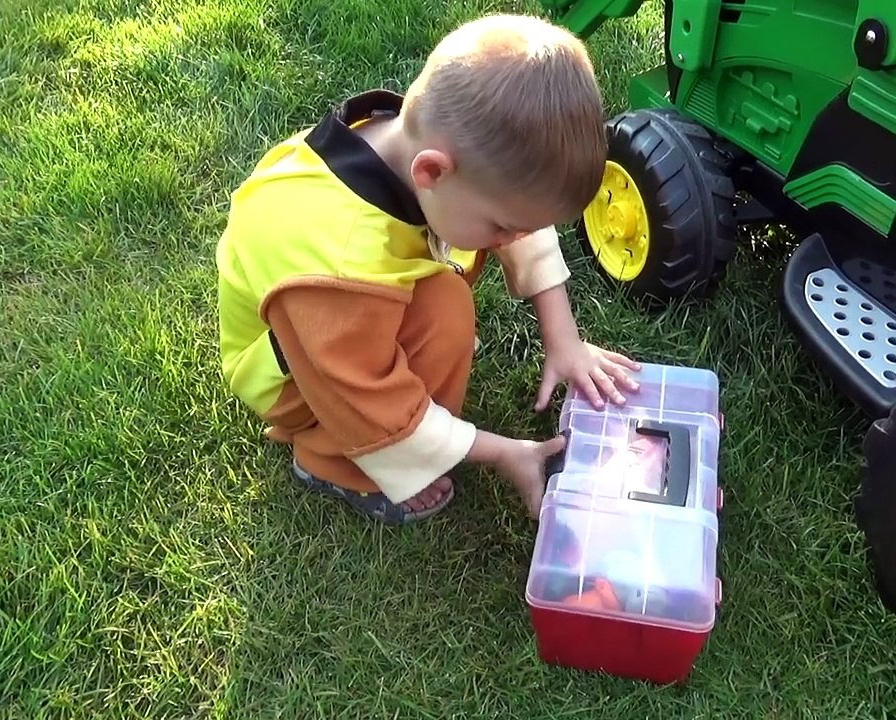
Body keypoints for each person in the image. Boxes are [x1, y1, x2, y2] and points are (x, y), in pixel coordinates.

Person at [215, 13, 640, 524]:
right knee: (444, 310)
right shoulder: (340, 265)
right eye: (504, 228)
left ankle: (407, 364)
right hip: (303, 377)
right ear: (432, 172)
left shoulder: (423, 147)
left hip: (345, 319)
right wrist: (504, 450)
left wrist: (563, 337)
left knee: (449, 287)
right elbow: (366, 399)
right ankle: (331, 461)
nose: (512, 240)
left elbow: (519, 213)